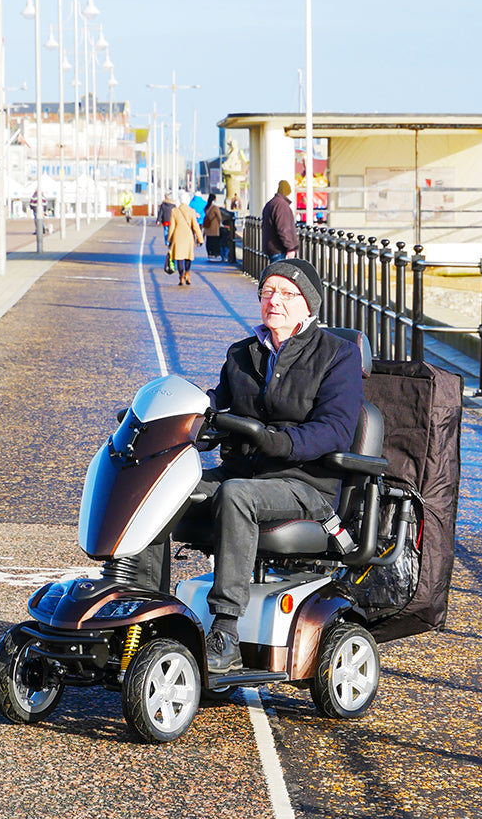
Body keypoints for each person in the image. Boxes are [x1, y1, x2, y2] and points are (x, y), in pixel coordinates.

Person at [138, 258, 364, 675]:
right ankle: (148, 613)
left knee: (235, 494)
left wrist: (277, 441)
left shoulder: (337, 356)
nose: (273, 300)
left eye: (285, 293)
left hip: (303, 484)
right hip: (243, 472)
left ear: (307, 304)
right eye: (267, 292)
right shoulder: (242, 354)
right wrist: (166, 422)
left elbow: (335, 430)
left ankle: (225, 632)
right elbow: (214, 411)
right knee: (160, 488)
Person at [167, 195, 203, 286]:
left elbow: (172, 227)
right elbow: (195, 226)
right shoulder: (191, 211)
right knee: (188, 256)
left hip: (177, 236)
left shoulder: (174, 211)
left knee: (179, 258)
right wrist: (200, 239)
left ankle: (181, 276)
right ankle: (187, 273)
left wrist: (170, 239)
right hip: (188, 237)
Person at [262, 179, 298, 263]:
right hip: (279, 249)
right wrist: (290, 248)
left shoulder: (271, 203)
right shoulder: (282, 206)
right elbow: (284, 229)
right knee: (281, 272)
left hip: (272, 247)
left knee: (275, 272)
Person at [203, 193, 222, 260]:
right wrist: (220, 223)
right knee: (215, 241)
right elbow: (219, 217)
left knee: (209, 240)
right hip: (214, 226)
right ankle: (215, 253)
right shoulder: (215, 208)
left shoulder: (206, 207)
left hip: (207, 226)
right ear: (214, 199)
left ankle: (210, 253)